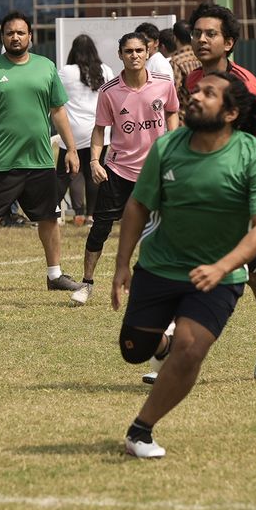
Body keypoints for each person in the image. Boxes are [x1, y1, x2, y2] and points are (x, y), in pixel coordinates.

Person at [110, 71, 256, 458]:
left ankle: (140, 431)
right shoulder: (168, 146)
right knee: (133, 349)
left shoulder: (252, 154)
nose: (194, 96)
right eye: (196, 90)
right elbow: (139, 204)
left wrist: (224, 266)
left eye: (208, 94)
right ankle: (164, 343)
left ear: (229, 113)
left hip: (218, 278)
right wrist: (122, 263)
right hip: (158, 267)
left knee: (191, 350)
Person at [184, 2, 256, 380]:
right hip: (211, 190)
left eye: (210, 34)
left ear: (229, 43)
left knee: (255, 272)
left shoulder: (246, 85)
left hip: (251, 188)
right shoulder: (192, 81)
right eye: (197, 33)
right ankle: (171, 348)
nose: (201, 39)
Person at [0, 12, 85, 296]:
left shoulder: (46, 67)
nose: (16, 37)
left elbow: (58, 111)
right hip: (0, 160)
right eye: (10, 32)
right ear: (2, 38)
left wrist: (71, 149)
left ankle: (55, 274)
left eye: (21, 32)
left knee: (48, 217)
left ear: (30, 37)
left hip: (40, 159)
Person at [72, 31, 181, 305]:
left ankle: (163, 283)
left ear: (148, 53)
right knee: (101, 228)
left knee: (165, 228)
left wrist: (171, 142)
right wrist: (95, 161)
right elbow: (100, 130)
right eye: (129, 51)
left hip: (156, 171)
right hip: (119, 171)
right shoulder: (109, 92)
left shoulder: (164, 84)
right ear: (120, 55)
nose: (134, 55)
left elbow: (172, 111)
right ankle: (86, 284)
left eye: (139, 51)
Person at [58, 34, 107, 226]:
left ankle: (59, 212)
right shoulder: (105, 70)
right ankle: (91, 216)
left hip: (72, 130)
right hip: (98, 130)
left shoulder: (66, 72)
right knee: (93, 172)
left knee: (65, 173)